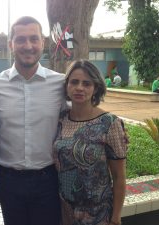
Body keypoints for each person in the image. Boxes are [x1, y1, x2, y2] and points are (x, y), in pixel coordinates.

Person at [0, 16, 64, 225]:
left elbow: (84, 111)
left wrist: (109, 124)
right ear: (11, 44)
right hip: (8, 180)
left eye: (33, 39)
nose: (27, 46)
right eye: (20, 39)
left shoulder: (60, 84)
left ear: (43, 43)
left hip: (48, 180)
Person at [53, 60, 128, 225]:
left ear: (96, 88)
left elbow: (119, 177)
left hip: (98, 214)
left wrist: (116, 218)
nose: (79, 88)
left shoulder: (109, 123)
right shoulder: (61, 120)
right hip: (65, 211)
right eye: (74, 82)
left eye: (87, 83)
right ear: (66, 86)